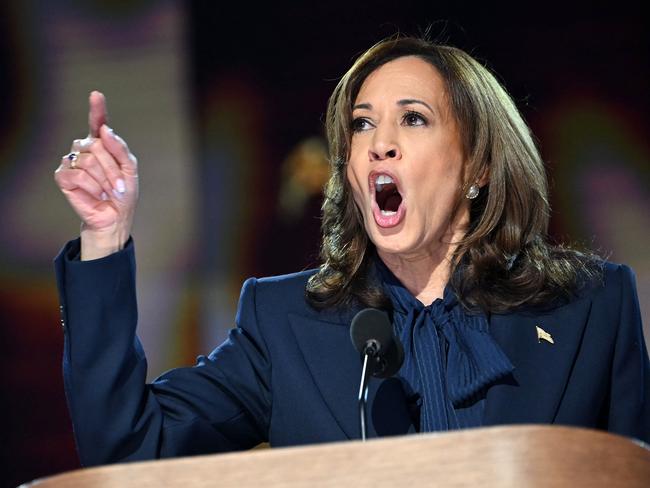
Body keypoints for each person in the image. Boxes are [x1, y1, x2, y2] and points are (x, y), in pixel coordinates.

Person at [54, 37, 650, 467]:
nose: (379, 145)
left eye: (412, 120)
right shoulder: (284, 323)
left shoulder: (590, 308)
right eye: (362, 126)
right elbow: (130, 447)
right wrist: (105, 237)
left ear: (479, 164)